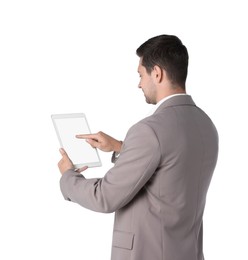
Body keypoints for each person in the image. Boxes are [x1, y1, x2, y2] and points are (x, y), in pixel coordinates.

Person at [58, 34, 219, 260]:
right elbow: (170, 167)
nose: (139, 83)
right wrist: (121, 147)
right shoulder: (205, 125)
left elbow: (105, 197)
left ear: (157, 73)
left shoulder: (150, 130)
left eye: (141, 75)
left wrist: (68, 177)